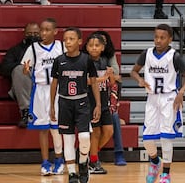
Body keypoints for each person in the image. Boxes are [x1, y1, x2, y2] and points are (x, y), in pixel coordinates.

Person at [129, 24, 185, 183]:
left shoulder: (174, 56)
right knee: (147, 138)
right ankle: (155, 161)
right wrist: (140, 80)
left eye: (162, 37)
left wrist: (181, 92)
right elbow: (133, 71)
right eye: (156, 37)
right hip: (152, 98)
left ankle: (166, 173)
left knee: (166, 138)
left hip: (169, 99)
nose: (158, 40)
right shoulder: (147, 53)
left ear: (170, 39)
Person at [50, 28, 101, 183]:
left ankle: (83, 163)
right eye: (65, 39)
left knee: (85, 137)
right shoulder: (59, 61)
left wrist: (98, 104)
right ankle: (72, 173)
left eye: (71, 39)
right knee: (68, 139)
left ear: (79, 41)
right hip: (64, 102)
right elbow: (54, 83)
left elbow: (93, 83)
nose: (68, 42)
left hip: (82, 102)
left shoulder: (86, 60)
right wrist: (51, 105)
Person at [21, 18, 64, 176]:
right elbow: (25, 70)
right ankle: (45, 162)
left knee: (57, 128)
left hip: (59, 91)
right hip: (40, 91)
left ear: (55, 31)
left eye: (47, 30)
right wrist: (26, 70)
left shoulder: (61, 46)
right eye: (41, 30)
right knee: (43, 128)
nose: (43, 33)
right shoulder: (33, 48)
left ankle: (59, 159)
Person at [93, 30, 127, 166]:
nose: (99, 45)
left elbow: (116, 76)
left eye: (103, 42)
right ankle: (89, 154)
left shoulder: (109, 56)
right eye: (95, 43)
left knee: (114, 118)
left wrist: (110, 76)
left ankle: (118, 153)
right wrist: (106, 77)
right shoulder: (86, 58)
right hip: (91, 98)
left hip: (106, 95)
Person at [83, 33, 116, 174]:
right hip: (90, 102)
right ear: (86, 47)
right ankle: (93, 161)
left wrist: (111, 75)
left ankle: (90, 155)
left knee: (109, 131)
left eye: (97, 45)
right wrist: (103, 78)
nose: (94, 48)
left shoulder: (104, 61)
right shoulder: (84, 62)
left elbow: (111, 83)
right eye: (91, 45)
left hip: (104, 102)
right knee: (95, 132)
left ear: (103, 47)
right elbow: (87, 82)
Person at [0, 22, 38, 128]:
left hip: (44, 85)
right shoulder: (15, 50)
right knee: (19, 69)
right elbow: (4, 68)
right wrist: (23, 65)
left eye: (35, 33)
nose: (33, 36)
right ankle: (27, 113)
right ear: (24, 34)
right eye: (30, 33)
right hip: (23, 87)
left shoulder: (48, 50)